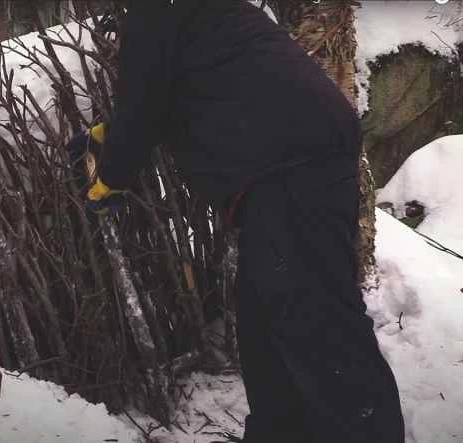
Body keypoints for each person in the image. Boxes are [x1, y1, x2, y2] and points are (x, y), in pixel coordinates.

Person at [69, 1, 405, 442]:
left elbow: (142, 107)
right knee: (263, 322)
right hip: (297, 152)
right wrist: (114, 140)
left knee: (316, 318)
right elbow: (173, 95)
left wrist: (108, 179)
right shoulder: (202, 13)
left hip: (290, 163)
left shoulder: (157, 16)